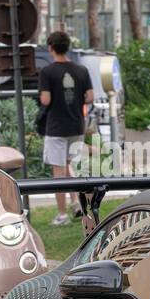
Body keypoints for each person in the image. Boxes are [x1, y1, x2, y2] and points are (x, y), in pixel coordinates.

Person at [38, 31, 94, 225]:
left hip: (56, 127)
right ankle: (77, 204)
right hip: (76, 125)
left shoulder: (47, 72)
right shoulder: (81, 70)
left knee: (58, 172)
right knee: (71, 166)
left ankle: (61, 215)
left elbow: (46, 99)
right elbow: (90, 97)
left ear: (51, 48)